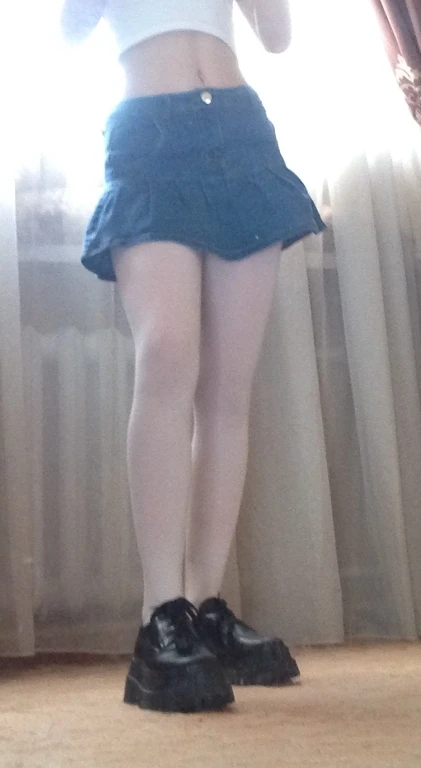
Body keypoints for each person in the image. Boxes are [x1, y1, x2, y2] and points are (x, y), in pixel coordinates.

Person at [61, 0, 326, 714]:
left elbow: (276, 38)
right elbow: (68, 33)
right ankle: (161, 615)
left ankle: (206, 606)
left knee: (228, 388)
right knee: (167, 356)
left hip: (241, 130)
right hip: (148, 136)